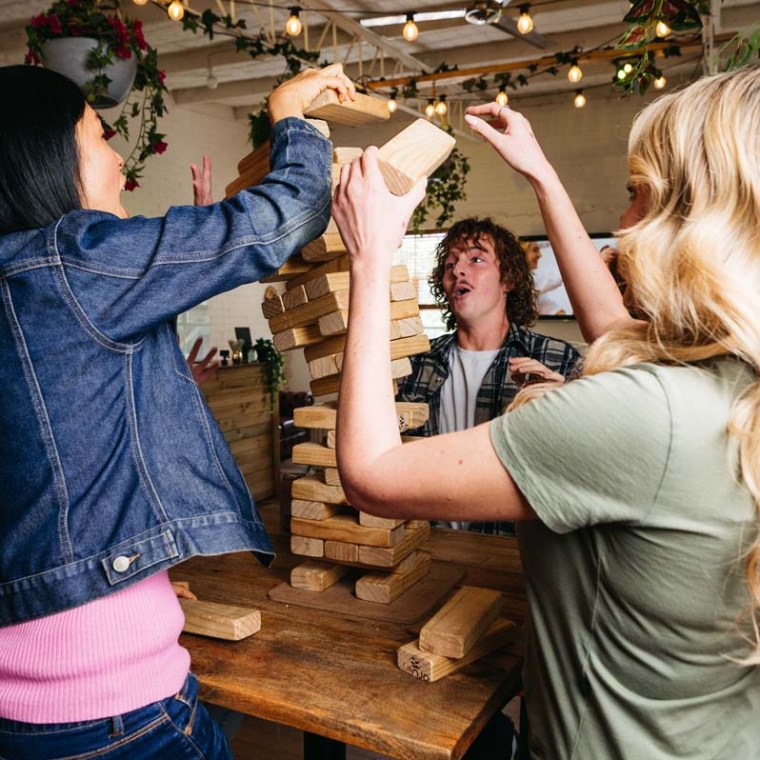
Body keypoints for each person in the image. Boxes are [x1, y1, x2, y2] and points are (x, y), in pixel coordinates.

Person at [333, 64, 760, 760]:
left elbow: (373, 474)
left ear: (680, 220)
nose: (619, 230)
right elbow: (614, 328)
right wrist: (540, 173)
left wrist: (371, 255)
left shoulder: (643, 413)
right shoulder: (729, 382)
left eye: (632, 196)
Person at [0, 62, 354, 758]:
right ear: (50, 158)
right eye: (100, 136)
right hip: (113, 705)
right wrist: (289, 113)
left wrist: (132, 582)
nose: (118, 157)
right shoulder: (78, 263)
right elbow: (282, 213)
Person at [396, 217, 580, 535]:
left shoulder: (560, 360)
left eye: (476, 259)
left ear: (507, 279)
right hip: (427, 543)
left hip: (513, 551)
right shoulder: (416, 363)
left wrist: (566, 402)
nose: (457, 270)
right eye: (450, 263)